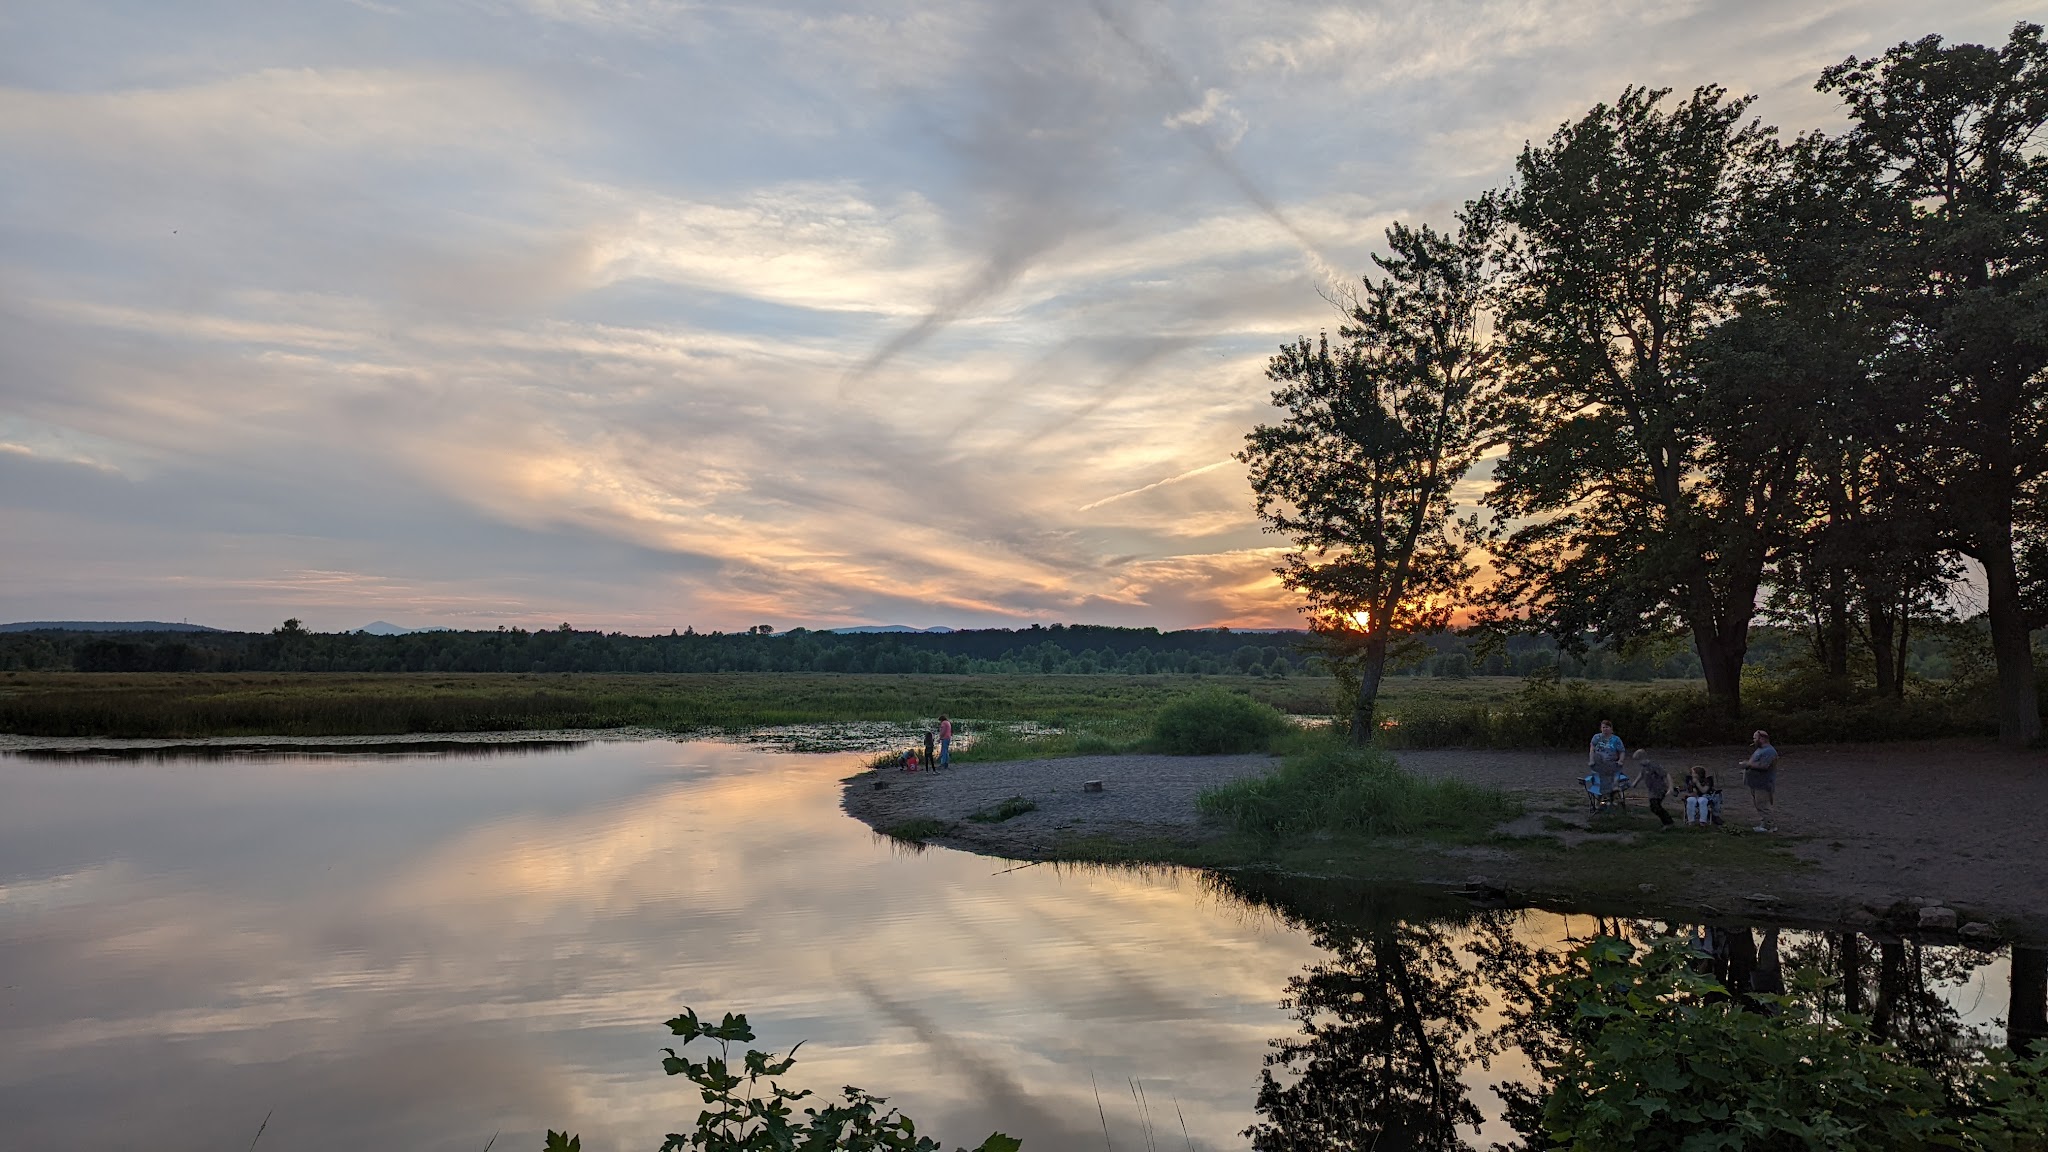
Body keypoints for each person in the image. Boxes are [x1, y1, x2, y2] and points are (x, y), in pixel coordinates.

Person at [1736, 729, 1779, 832]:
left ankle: (1770, 826)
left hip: (1763, 783)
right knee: (1759, 804)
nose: (1754, 740)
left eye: (1755, 738)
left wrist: (1748, 764)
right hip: (1755, 783)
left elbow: (1764, 766)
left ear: (1762, 739)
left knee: (1763, 805)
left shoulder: (1769, 751)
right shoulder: (1760, 749)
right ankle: (1764, 824)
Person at [1632, 749, 1673, 828]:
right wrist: (1635, 783)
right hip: (1652, 790)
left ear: (1642, 758)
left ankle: (1669, 823)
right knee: (1654, 807)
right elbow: (1641, 774)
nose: (1637, 763)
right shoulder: (1644, 767)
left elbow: (1666, 774)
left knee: (1655, 806)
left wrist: (1670, 787)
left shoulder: (1653, 766)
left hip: (1659, 789)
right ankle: (1667, 822)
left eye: (1638, 760)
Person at [1587, 719, 1625, 802]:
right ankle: (1600, 798)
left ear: (1611, 728)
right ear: (1601, 728)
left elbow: (1622, 751)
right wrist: (1591, 760)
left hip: (1612, 764)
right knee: (1599, 778)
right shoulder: (1596, 737)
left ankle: (1611, 795)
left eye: (1607, 727)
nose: (1605, 729)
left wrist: (1621, 761)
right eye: (1603, 727)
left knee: (1611, 778)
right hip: (1599, 764)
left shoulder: (1616, 739)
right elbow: (1592, 750)